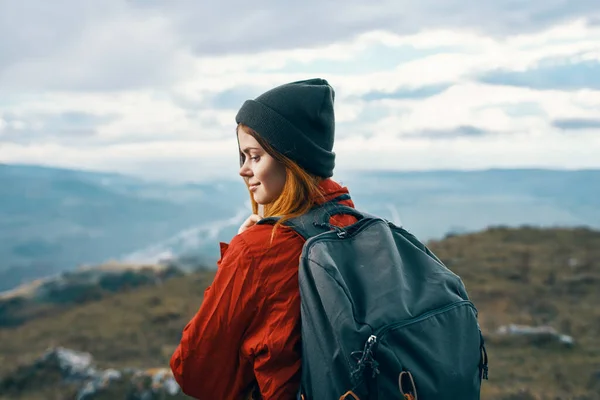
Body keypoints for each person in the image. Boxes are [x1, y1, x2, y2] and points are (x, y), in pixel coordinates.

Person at [170, 78, 358, 399]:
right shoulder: (354, 223)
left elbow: (195, 372)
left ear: (291, 160)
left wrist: (235, 256)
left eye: (255, 156)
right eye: (242, 156)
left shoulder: (257, 249)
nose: (244, 170)